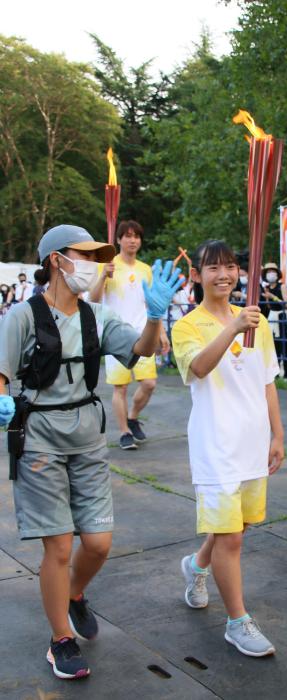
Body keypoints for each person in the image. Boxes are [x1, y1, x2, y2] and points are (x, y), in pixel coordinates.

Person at [0, 224, 182, 680]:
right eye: (83, 254)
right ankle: (61, 639)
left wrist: (156, 315)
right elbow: (1, 374)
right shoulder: (22, 316)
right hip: (40, 436)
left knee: (98, 544)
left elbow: (138, 351)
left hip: (87, 437)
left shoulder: (96, 316)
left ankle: (73, 594)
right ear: (55, 260)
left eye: (96, 256)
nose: (93, 264)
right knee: (59, 546)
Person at [171, 240, 284, 657]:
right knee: (232, 538)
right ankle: (238, 622)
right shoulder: (186, 326)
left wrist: (277, 434)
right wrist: (233, 328)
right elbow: (197, 368)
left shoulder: (257, 321)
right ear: (197, 275)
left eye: (231, 266)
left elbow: (268, 379)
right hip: (215, 444)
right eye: (213, 267)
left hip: (253, 441)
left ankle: (197, 565)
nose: (224, 274)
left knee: (239, 525)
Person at [89, 220, 170, 450]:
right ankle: (124, 431)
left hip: (143, 335)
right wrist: (104, 275)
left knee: (150, 384)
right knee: (120, 388)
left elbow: (152, 304)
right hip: (116, 334)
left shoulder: (145, 270)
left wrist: (161, 331)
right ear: (118, 239)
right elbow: (92, 300)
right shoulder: (106, 265)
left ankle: (133, 416)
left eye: (136, 236)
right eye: (128, 236)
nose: (132, 240)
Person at [262, 262, 287, 380]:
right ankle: (274, 374)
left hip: (282, 316)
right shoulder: (266, 288)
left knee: (285, 345)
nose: (271, 274)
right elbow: (268, 306)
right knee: (274, 346)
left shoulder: (282, 286)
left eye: (273, 272)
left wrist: (273, 297)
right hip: (272, 317)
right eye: (268, 272)